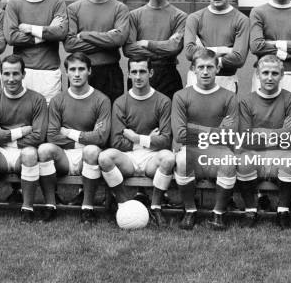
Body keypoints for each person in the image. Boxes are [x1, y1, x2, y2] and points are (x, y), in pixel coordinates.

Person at [98, 57, 174, 227]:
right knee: (104, 157)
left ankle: (155, 207)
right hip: (129, 157)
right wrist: (148, 139)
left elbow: (166, 140)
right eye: (134, 72)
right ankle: (124, 205)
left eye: (142, 71)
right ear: (129, 74)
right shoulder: (120, 102)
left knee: (169, 158)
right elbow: (116, 141)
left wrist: (136, 137)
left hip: (152, 158)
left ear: (150, 73)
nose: (138, 76)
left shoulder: (163, 101)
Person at [37, 52, 111, 223]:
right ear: (66, 73)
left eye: (81, 69)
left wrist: (68, 132)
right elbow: (52, 135)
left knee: (92, 150)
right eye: (72, 70)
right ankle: (50, 205)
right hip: (63, 156)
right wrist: (86, 138)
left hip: (89, 156)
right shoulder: (58, 100)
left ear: (89, 71)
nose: (77, 74)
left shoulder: (102, 100)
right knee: (44, 149)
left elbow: (101, 138)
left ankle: (87, 208)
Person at [0, 55, 48, 223]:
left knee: (30, 154)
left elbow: (38, 136)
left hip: (24, 152)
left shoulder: (37, 100)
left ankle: (27, 209)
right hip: (0, 153)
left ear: (24, 74)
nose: (11, 79)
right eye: (6, 74)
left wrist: (3, 135)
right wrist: (21, 131)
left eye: (16, 74)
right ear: (0, 76)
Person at [172, 49, 238, 230]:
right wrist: (215, 131)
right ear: (193, 69)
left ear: (217, 68)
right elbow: (180, 134)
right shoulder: (181, 96)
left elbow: (230, 134)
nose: (205, 71)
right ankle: (190, 210)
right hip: (192, 149)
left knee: (229, 161)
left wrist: (193, 129)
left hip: (219, 151)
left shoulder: (229, 96)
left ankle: (218, 214)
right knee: (183, 160)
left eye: (210, 67)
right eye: (201, 67)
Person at [237, 55, 291, 229]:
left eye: (275, 73)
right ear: (258, 74)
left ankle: (283, 210)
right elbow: (245, 137)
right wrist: (280, 133)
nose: (270, 77)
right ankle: (251, 209)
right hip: (254, 153)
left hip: (282, 153)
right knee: (243, 161)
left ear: (282, 75)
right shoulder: (246, 101)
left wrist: (261, 132)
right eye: (265, 72)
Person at [4, 0, 68, 104]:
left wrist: (30, 28)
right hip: (21, 72)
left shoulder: (57, 2)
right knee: (22, 119)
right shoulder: (14, 4)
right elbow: (11, 37)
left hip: (49, 73)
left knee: (48, 121)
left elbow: (61, 32)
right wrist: (46, 32)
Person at [64, 0, 129, 103]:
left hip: (110, 73)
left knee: (111, 119)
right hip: (81, 72)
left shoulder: (120, 8)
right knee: (80, 120)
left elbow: (119, 40)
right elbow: (69, 44)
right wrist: (108, 41)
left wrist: (85, 35)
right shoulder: (74, 8)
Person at [123, 0, 187, 99]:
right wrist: (163, 49)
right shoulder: (134, 15)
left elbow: (174, 48)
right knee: (139, 118)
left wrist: (146, 43)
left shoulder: (180, 16)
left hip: (168, 75)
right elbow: (128, 49)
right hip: (140, 73)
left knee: (168, 118)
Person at [184, 0, 249, 93]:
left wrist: (203, 56)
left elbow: (239, 58)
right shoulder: (194, 18)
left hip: (226, 81)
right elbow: (189, 52)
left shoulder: (242, 20)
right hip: (195, 79)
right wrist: (223, 50)